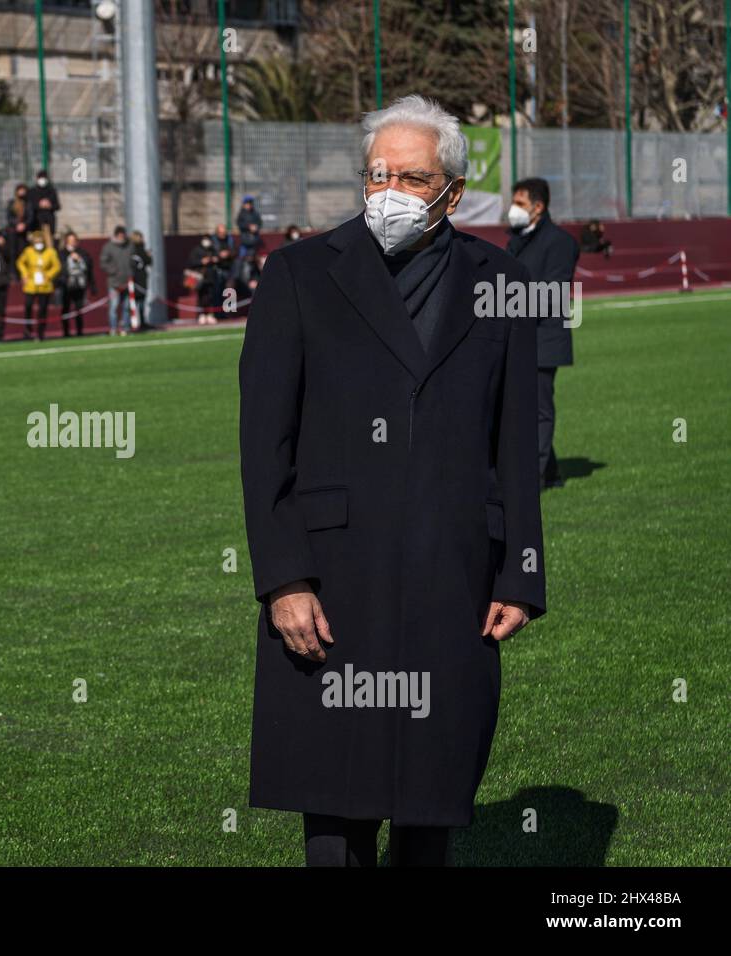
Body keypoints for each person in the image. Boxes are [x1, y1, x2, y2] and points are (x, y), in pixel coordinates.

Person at [239, 94, 545, 868]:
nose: (388, 192)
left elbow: (514, 439)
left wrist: (522, 571)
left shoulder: (497, 278)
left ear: (449, 189)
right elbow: (263, 445)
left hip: (453, 572)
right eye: (376, 174)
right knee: (335, 815)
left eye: (409, 177)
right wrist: (283, 581)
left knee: (429, 802)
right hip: (334, 579)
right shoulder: (300, 273)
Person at [505, 176, 579, 490]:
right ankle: (551, 472)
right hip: (519, 336)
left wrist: (507, 308)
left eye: (519, 204)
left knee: (538, 410)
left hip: (543, 338)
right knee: (520, 406)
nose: (513, 210)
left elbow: (553, 293)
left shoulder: (560, 242)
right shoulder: (517, 238)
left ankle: (533, 478)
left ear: (538, 206)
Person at [16, 230, 60, 341]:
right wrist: (24, 274)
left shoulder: (50, 252)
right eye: (36, 241)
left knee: (43, 309)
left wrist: (49, 275)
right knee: (28, 305)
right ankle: (28, 330)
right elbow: (20, 262)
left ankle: (41, 332)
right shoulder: (28, 251)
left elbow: (57, 266)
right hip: (31, 284)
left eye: (40, 241)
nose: (38, 243)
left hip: (45, 285)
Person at [58, 232, 95, 337]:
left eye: (74, 240)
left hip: (79, 285)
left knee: (79, 308)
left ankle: (79, 331)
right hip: (66, 285)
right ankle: (66, 332)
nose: (72, 243)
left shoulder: (82, 253)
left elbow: (89, 268)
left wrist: (79, 260)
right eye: (70, 240)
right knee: (66, 309)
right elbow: (60, 268)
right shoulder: (62, 253)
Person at [99, 225, 133, 336]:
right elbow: (103, 262)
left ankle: (126, 328)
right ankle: (113, 328)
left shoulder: (130, 246)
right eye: (119, 235)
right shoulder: (108, 247)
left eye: (123, 235)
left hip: (127, 282)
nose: (121, 237)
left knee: (127, 307)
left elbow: (134, 260)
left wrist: (132, 272)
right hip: (114, 283)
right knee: (113, 307)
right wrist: (113, 271)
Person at [25, 170, 61, 248]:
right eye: (41, 178)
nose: (42, 180)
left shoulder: (51, 191)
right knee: (36, 242)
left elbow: (57, 206)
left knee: (49, 244)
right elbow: (29, 206)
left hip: (49, 222)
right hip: (36, 222)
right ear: (37, 179)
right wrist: (39, 205)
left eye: (44, 178)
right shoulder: (32, 191)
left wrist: (49, 205)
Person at [128, 230, 153, 331]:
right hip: (134, 280)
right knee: (133, 303)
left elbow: (149, 262)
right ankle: (133, 323)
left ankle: (142, 322)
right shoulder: (133, 250)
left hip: (142, 279)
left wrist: (149, 256)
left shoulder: (142, 249)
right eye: (140, 237)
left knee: (141, 302)